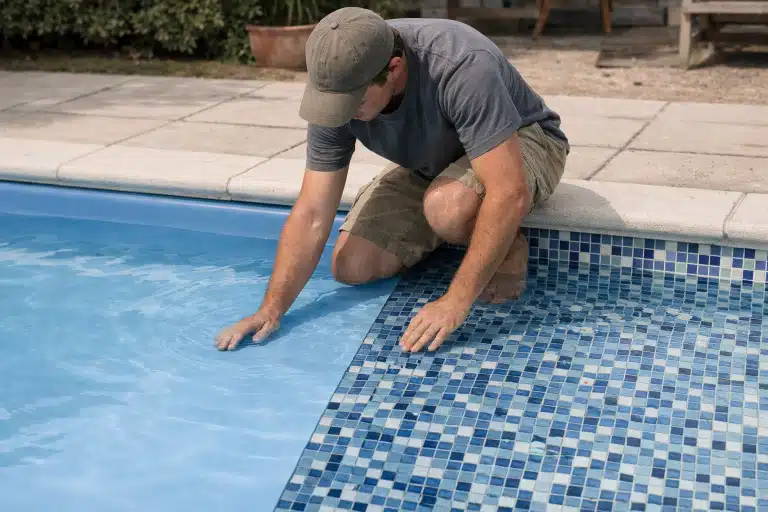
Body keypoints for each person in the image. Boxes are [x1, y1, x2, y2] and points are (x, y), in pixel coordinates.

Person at [215, 7, 569, 353]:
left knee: (447, 208)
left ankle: (509, 246)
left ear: (394, 68)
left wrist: (454, 301)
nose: (341, 114)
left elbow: (508, 192)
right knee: (352, 266)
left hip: (524, 140)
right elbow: (312, 212)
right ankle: (452, 216)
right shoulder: (337, 80)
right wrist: (271, 309)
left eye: (353, 101)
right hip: (432, 162)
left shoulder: (460, 64)